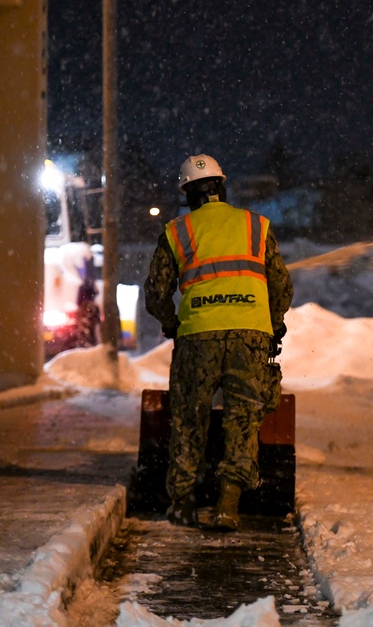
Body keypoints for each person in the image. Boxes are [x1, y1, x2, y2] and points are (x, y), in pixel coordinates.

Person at [144, 154, 293, 531]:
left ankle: (184, 504)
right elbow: (281, 286)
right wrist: (272, 325)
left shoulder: (177, 231)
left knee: (189, 419)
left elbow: (156, 293)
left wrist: (172, 323)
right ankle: (229, 505)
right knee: (243, 421)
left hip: (197, 339)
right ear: (222, 188)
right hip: (251, 338)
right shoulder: (256, 226)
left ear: (187, 195)